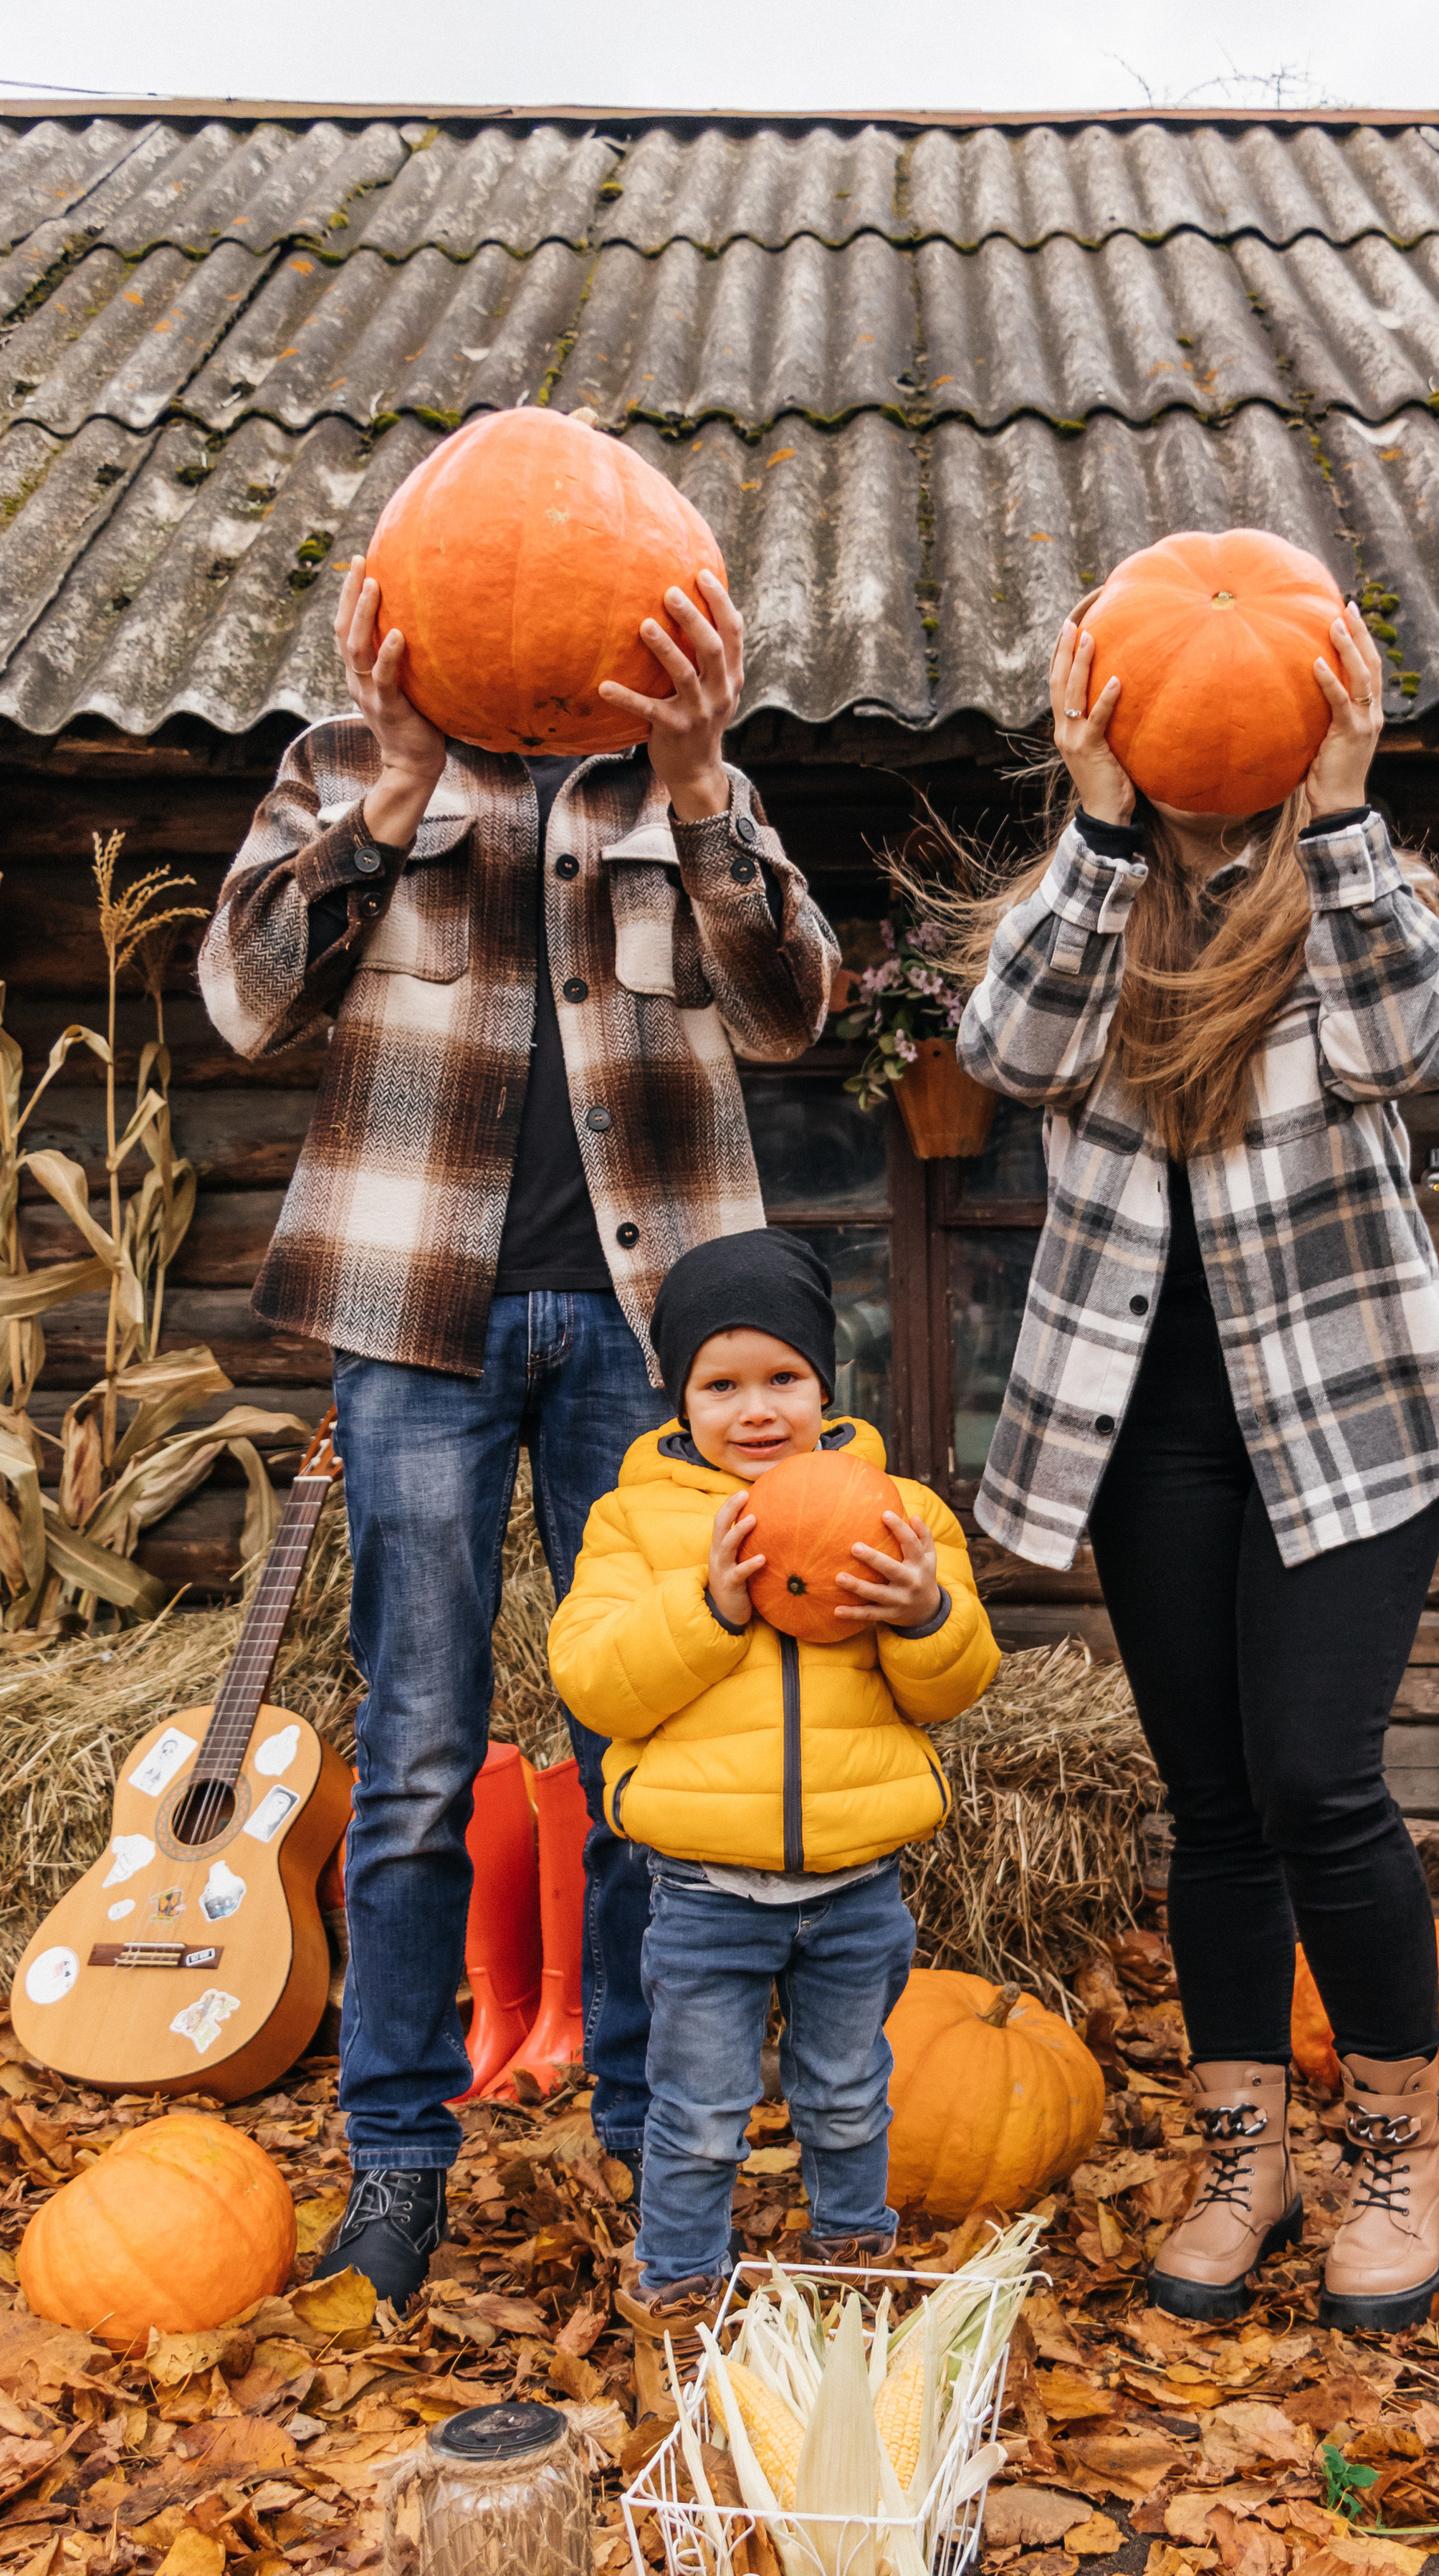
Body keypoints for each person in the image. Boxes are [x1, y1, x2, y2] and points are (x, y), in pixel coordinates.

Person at [199, 546, 836, 2304]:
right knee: (413, 1759)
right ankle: (397, 2161)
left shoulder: (686, 781)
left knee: (638, 1758)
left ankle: (650, 2132)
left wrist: (704, 787)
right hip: (420, 1325)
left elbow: (790, 1013)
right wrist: (396, 789)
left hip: (652, 1338)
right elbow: (246, 1001)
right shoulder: (343, 765)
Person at [951, 593, 1439, 2334]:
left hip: (1342, 1420)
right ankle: (1242, 2152)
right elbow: (999, 1056)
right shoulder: (1086, 910)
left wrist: (1337, 814)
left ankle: (1401, 2153)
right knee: (1209, 1805)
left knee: (1315, 1781)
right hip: (1150, 1433)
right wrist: (1098, 826)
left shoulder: (1364, 899)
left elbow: (1415, 1051)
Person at [548, 1229, 1000, 2309]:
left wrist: (925, 1615)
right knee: (699, 2109)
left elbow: (955, 1684)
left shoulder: (901, 1515)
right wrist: (707, 1608)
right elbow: (595, 1684)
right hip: (705, 1891)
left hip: (855, 1888)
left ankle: (851, 2256)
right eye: (722, 1384)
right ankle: (684, 2282)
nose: (756, 1410)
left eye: (784, 1378)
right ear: (679, 1399)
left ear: (824, 1383)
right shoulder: (632, 1525)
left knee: (847, 2095)